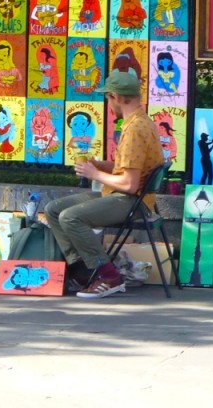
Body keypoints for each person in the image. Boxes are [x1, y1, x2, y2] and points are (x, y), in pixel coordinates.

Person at [45, 70, 163, 299]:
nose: (108, 104)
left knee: (70, 217)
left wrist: (94, 173)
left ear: (116, 97)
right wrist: (100, 165)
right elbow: (128, 168)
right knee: (53, 209)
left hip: (130, 201)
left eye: (108, 98)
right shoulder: (139, 121)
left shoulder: (135, 130)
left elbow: (129, 184)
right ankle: (82, 271)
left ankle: (108, 275)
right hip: (124, 195)